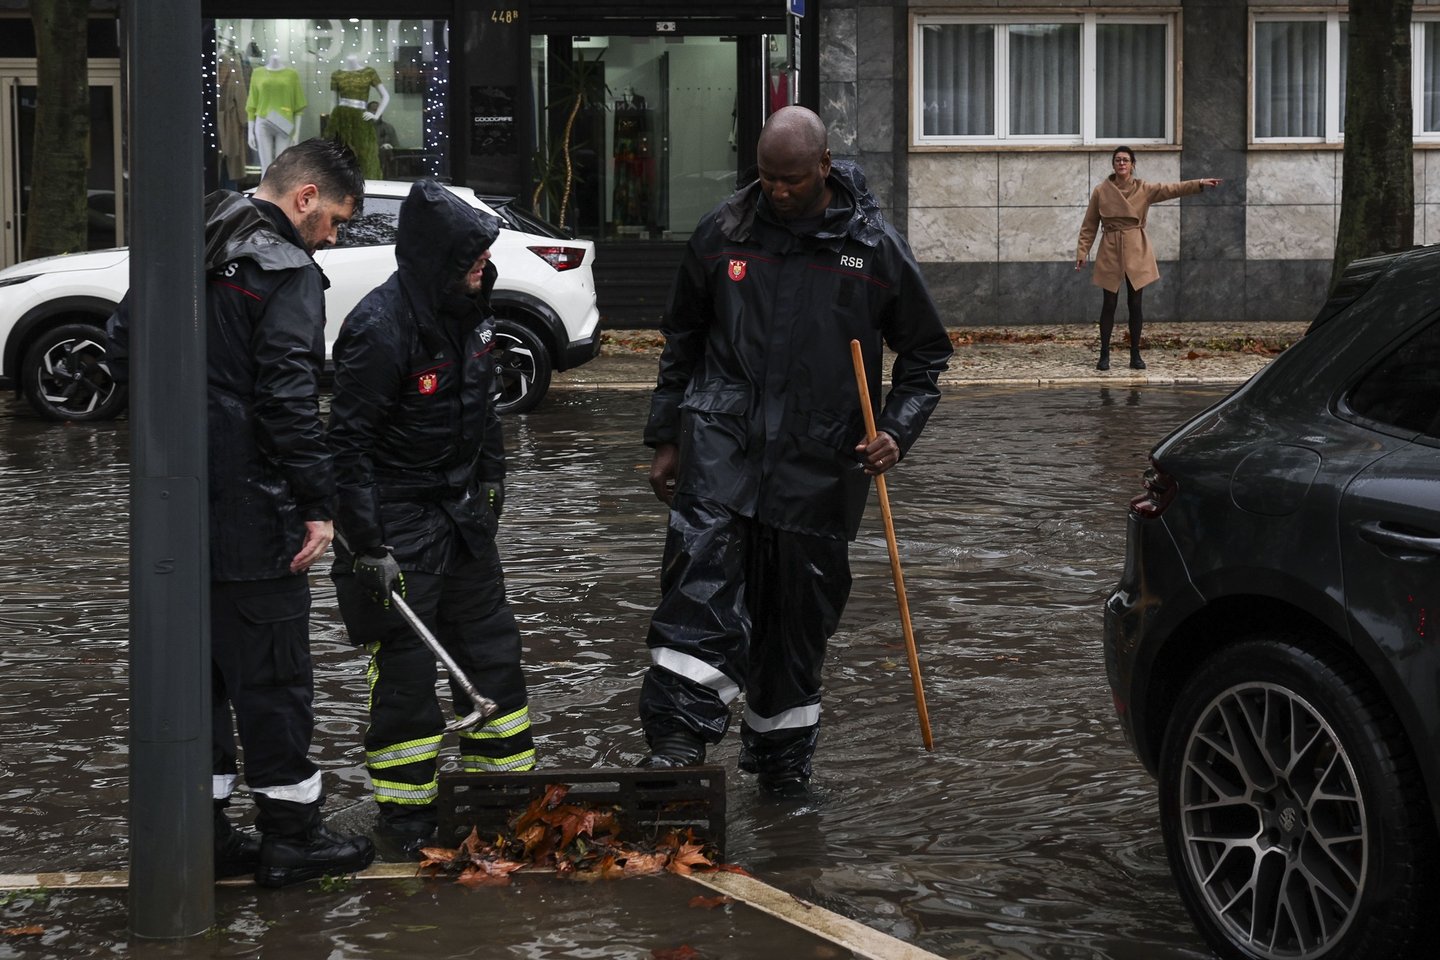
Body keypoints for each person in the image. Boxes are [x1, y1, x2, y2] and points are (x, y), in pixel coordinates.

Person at [634, 106, 953, 798]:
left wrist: (895, 428)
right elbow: (683, 337)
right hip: (724, 445)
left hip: (822, 463)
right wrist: (667, 436)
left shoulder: (872, 249)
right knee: (699, 587)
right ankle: (675, 750)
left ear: (823, 166)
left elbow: (926, 354)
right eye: (767, 177)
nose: (776, 190)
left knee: (796, 621)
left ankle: (782, 770)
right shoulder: (723, 232)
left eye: (790, 179)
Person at [107, 138, 375, 887]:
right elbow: (288, 399)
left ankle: (207, 831)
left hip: (176, 506)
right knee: (274, 681)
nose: (334, 236)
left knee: (202, 681)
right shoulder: (284, 272)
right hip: (256, 512)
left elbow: (121, 340)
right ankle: (293, 836)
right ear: (304, 199)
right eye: (335, 221)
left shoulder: (192, 236)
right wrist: (318, 505)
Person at [327, 179, 536, 857]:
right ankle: (407, 821)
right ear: (438, 259)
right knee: (407, 679)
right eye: (471, 259)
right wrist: (365, 545)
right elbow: (347, 448)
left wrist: (495, 483)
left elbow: (485, 407)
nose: (483, 268)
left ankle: (505, 802)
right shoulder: (379, 329)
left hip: (464, 517)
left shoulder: (471, 310)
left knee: (493, 656)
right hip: (398, 523)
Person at [1075, 146, 1222, 370]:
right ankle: (1104, 354)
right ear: (1113, 164)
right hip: (1110, 246)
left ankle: (1135, 354)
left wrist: (1199, 182)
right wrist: (1082, 251)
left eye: (1125, 160)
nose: (1121, 163)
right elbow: (1090, 223)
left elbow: (1172, 189)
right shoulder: (1101, 191)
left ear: (1133, 164)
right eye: (1117, 160)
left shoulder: (1144, 188)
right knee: (1109, 303)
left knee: (1135, 303)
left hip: (1136, 246)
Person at [324, 55, 390, 179]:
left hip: (361, 118)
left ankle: (366, 185)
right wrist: (331, 123)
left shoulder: (369, 72)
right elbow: (333, 102)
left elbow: (385, 96)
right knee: (340, 154)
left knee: (365, 154)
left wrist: (376, 115)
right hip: (341, 118)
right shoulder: (336, 74)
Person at [247, 53, 306, 171]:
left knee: (282, 166)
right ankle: (265, 189)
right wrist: (250, 131)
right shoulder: (257, 73)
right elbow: (252, 103)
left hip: (284, 122)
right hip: (263, 120)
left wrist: (296, 133)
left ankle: (280, 189)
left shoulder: (291, 74)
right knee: (266, 167)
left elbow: (298, 106)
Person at [369, 101, 400, 178]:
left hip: (386, 166)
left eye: (379, 110)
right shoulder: (362, 129)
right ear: (368, 111)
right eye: (374, 110)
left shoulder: (388, 128)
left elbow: (396, 148)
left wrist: (389, 148)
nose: (376, 112)